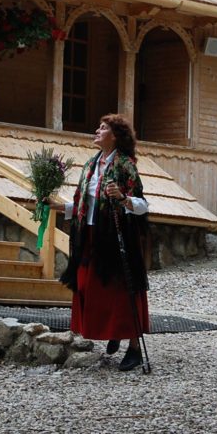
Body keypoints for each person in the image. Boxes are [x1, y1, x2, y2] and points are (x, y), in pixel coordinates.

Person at [48, 114, 150, 372]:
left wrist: (124, 198)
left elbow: (142, 205)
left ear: (114, 136)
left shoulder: (125, 165)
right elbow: (85, 204)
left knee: (121, 291)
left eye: (103, 128)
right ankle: (113, 331)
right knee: (87, 285)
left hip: (117, 237)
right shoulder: (90, 165)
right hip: (91, 235)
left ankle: (134, 348)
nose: (97, 130)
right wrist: (58, 207)